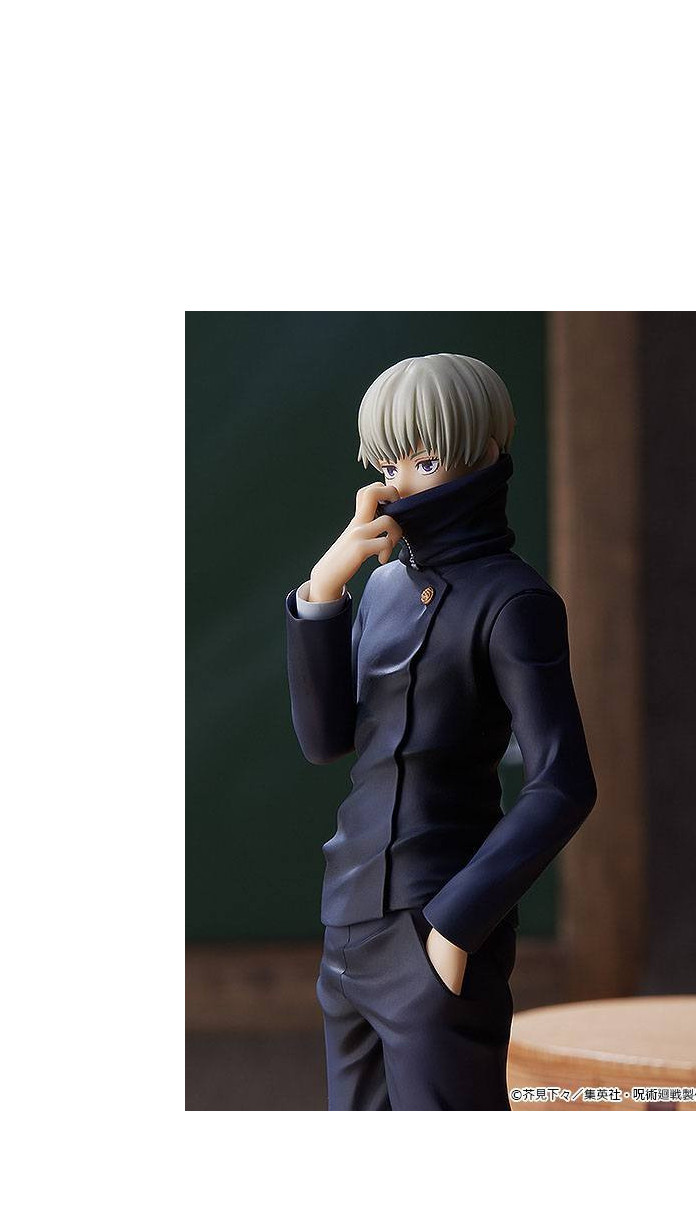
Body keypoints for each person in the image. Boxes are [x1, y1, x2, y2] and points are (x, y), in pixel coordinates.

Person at [285, 353, 596, 1110]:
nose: (399, 486)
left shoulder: (514, 601)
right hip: (348, 920)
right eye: (389, 463)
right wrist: (323, 592)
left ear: (482, 454)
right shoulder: (384, 587)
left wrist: (454, 931)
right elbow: (326, 740)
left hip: (431, 923)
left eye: (425, 462)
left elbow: (563, 783)